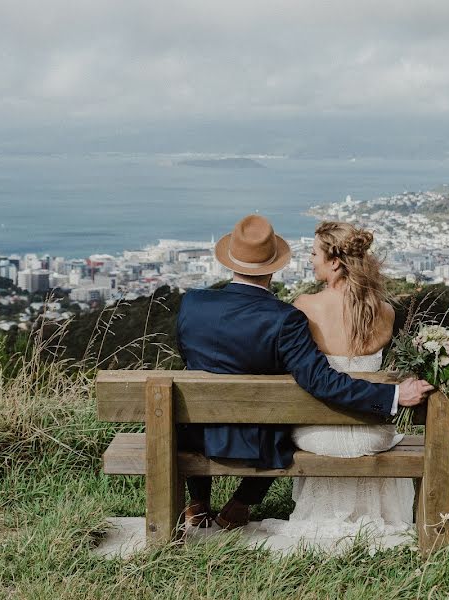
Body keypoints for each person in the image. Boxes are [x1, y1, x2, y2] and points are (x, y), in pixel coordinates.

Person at [176, 215, 432, 530]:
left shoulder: (192, 304)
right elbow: (317, 379)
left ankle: (199, 502)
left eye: (313, 254)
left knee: (193, 413)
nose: (310, 260)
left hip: (194, 435)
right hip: (260, 441)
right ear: (272, 267)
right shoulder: (283, 318)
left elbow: (191, 362)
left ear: (230, 261)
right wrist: (393, 394)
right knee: (281, 421)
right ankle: (240, 503)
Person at [257, 221, 414, 543]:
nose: (310, 259)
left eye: (314, 253)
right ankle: (373, 515)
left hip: (318, 433)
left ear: (334, 262)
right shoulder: (385, 312)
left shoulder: (305, 307)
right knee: (372, 437)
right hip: (373, 435)